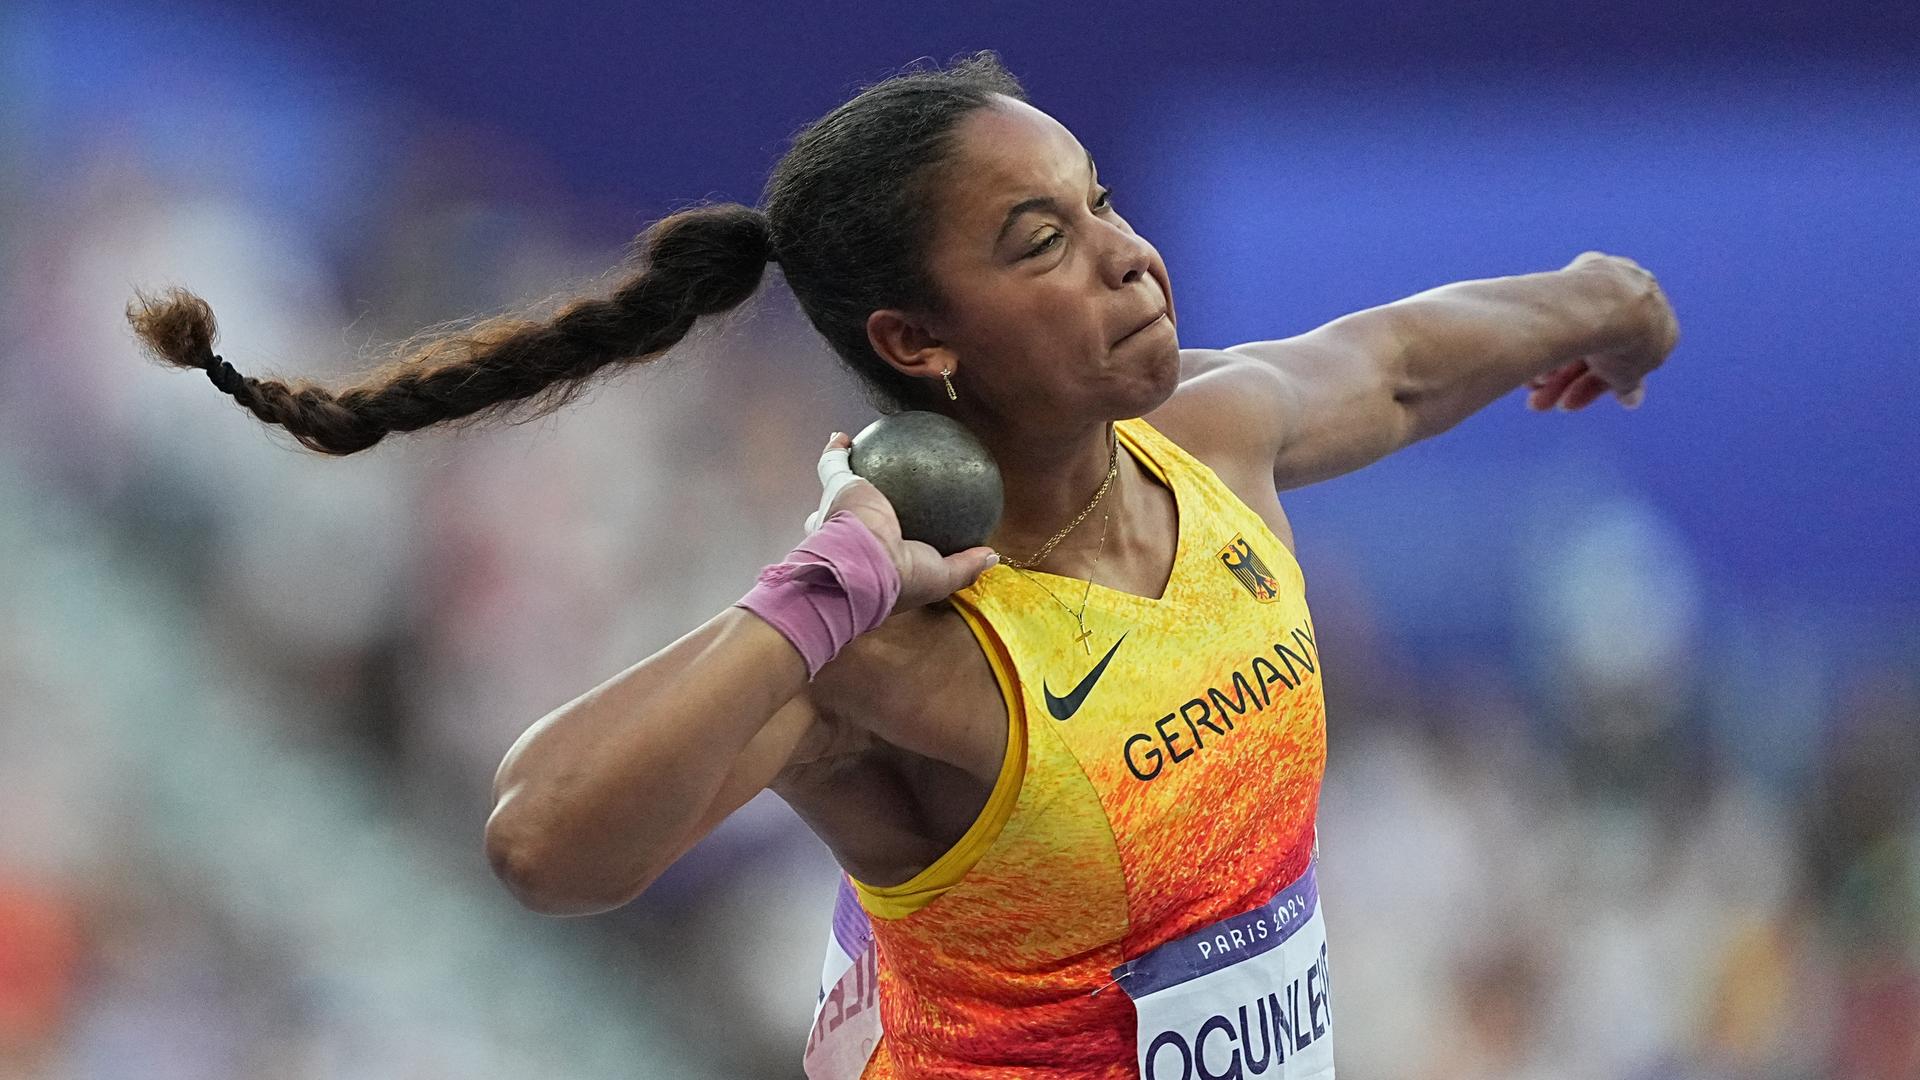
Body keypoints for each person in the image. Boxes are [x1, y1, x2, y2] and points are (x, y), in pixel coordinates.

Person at [126, 51, 1678, 1080]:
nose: (1124, 257)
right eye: (1037, 243)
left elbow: (1397, 365)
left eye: (1101, 205)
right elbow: (541, 845)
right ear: (916, 344)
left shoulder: (1212, 437)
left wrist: (1596, 296)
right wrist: (804, 603)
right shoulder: (897, 646)